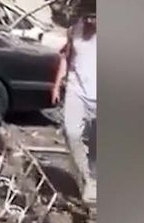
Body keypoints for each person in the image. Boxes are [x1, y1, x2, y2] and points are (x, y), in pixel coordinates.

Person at [52, 12, 96, 199]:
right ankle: (88, 179)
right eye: (88, 17)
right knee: (72, 133)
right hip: (76, 91)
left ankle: (94, 178)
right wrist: (56, 85)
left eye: (95, 17)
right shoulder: (74, 30)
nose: (90, 21)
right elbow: (66, 57)